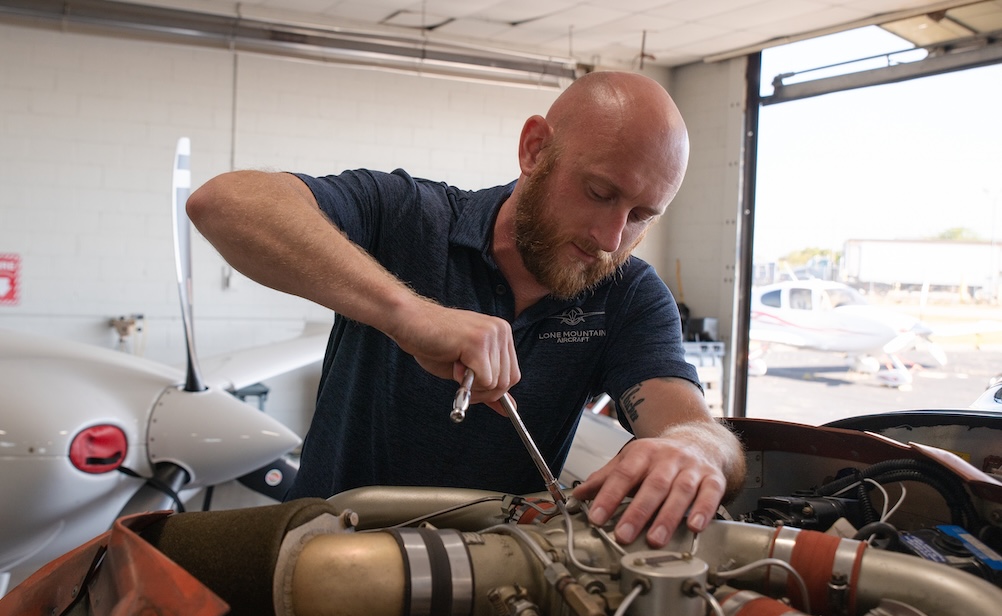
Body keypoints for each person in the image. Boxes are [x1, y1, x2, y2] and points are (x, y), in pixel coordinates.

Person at [187, 70, 745, 548]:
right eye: (599, 193)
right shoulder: (406, 217)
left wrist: (693, 450)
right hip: (323, 558)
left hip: (486, 587)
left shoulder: (625, 296)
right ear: (534, 150)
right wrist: (410, 314)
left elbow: (692, 425)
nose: (609, 237)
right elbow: (224, 203)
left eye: (643, 215)